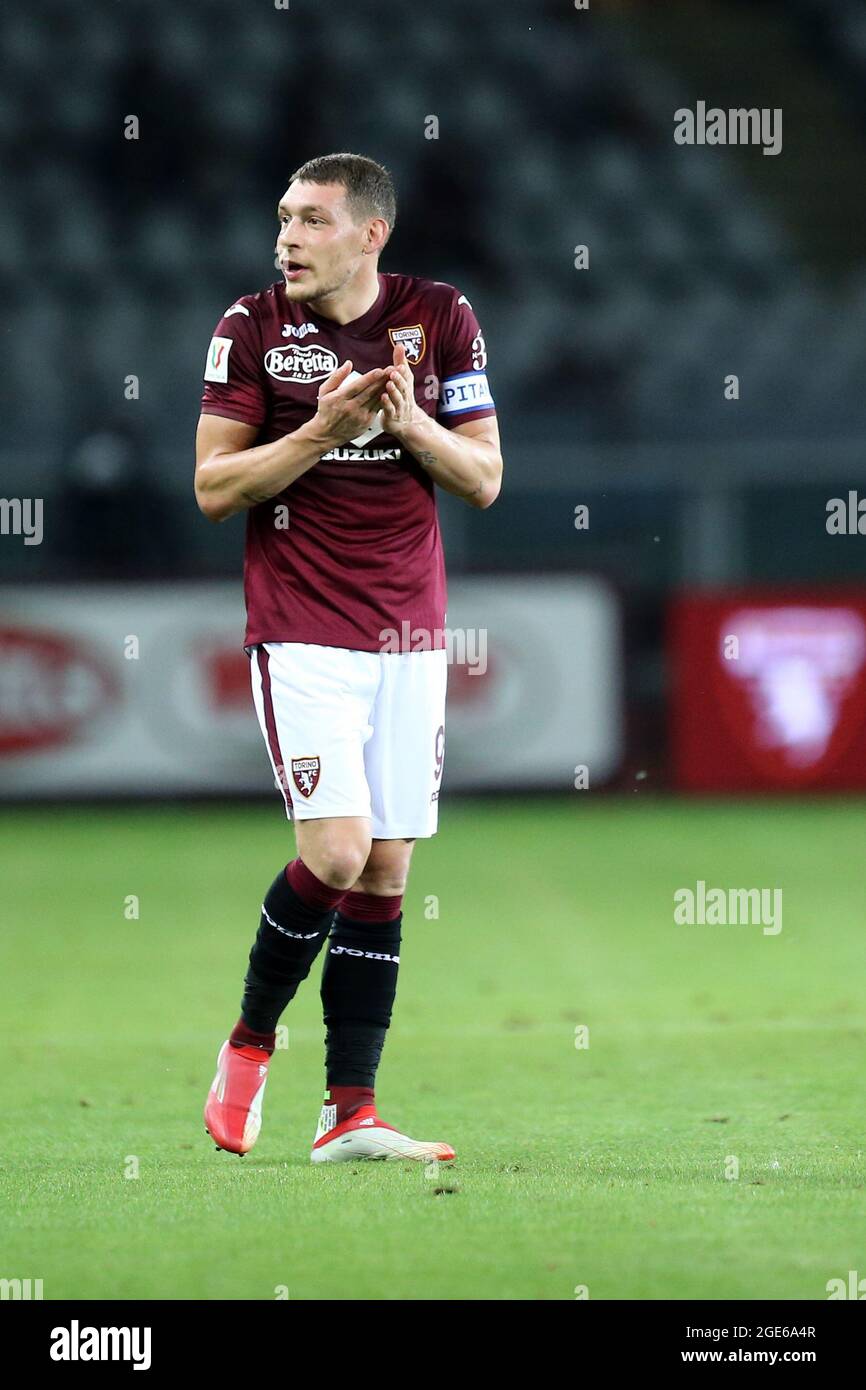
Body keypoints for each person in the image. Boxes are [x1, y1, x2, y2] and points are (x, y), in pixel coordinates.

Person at [195, 152, 502, 1162]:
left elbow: (483, 479)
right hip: (300, 624)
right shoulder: (250, 328)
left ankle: (350, 1112)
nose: (287, 235)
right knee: (333, 851)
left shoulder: (439, 315)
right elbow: (213, 487)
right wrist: (322, 432)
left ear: (371, 232)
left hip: (409, 630)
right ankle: (247, 1044)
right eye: (283, 216)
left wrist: (409, 421)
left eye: (312, 219)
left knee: (383, 870)